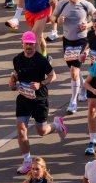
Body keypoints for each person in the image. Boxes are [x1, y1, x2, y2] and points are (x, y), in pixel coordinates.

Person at [10, 31, 68, 174]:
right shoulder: (17, 59)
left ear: (35, 43)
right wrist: (12, 82)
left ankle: (56, 125)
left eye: (31, 43)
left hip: (39, 100)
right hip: (23, 99)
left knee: (41, 131)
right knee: (21, 130)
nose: (29, 46)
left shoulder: (41, 60)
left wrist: (40, 84)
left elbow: (53, 76)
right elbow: (16, 74)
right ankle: (27, 161)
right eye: (26, 43)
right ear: (22, 43)